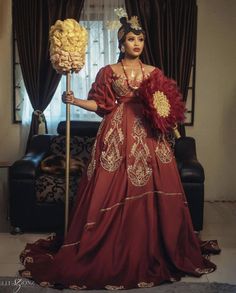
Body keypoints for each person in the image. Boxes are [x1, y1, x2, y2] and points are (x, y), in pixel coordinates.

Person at [19, 14, 219, 290]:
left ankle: (155, 246)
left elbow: (167, 105)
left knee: (156, 183)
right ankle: (106, 246)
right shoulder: (109, 72)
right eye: (131, 39)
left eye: (140, 39)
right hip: (116, 132)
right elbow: (102, 106)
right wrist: (74, 100)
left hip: (150, 136)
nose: (136, 43)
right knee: (110, 186)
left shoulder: (154, 72)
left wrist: (167, 117)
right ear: (121, 42)